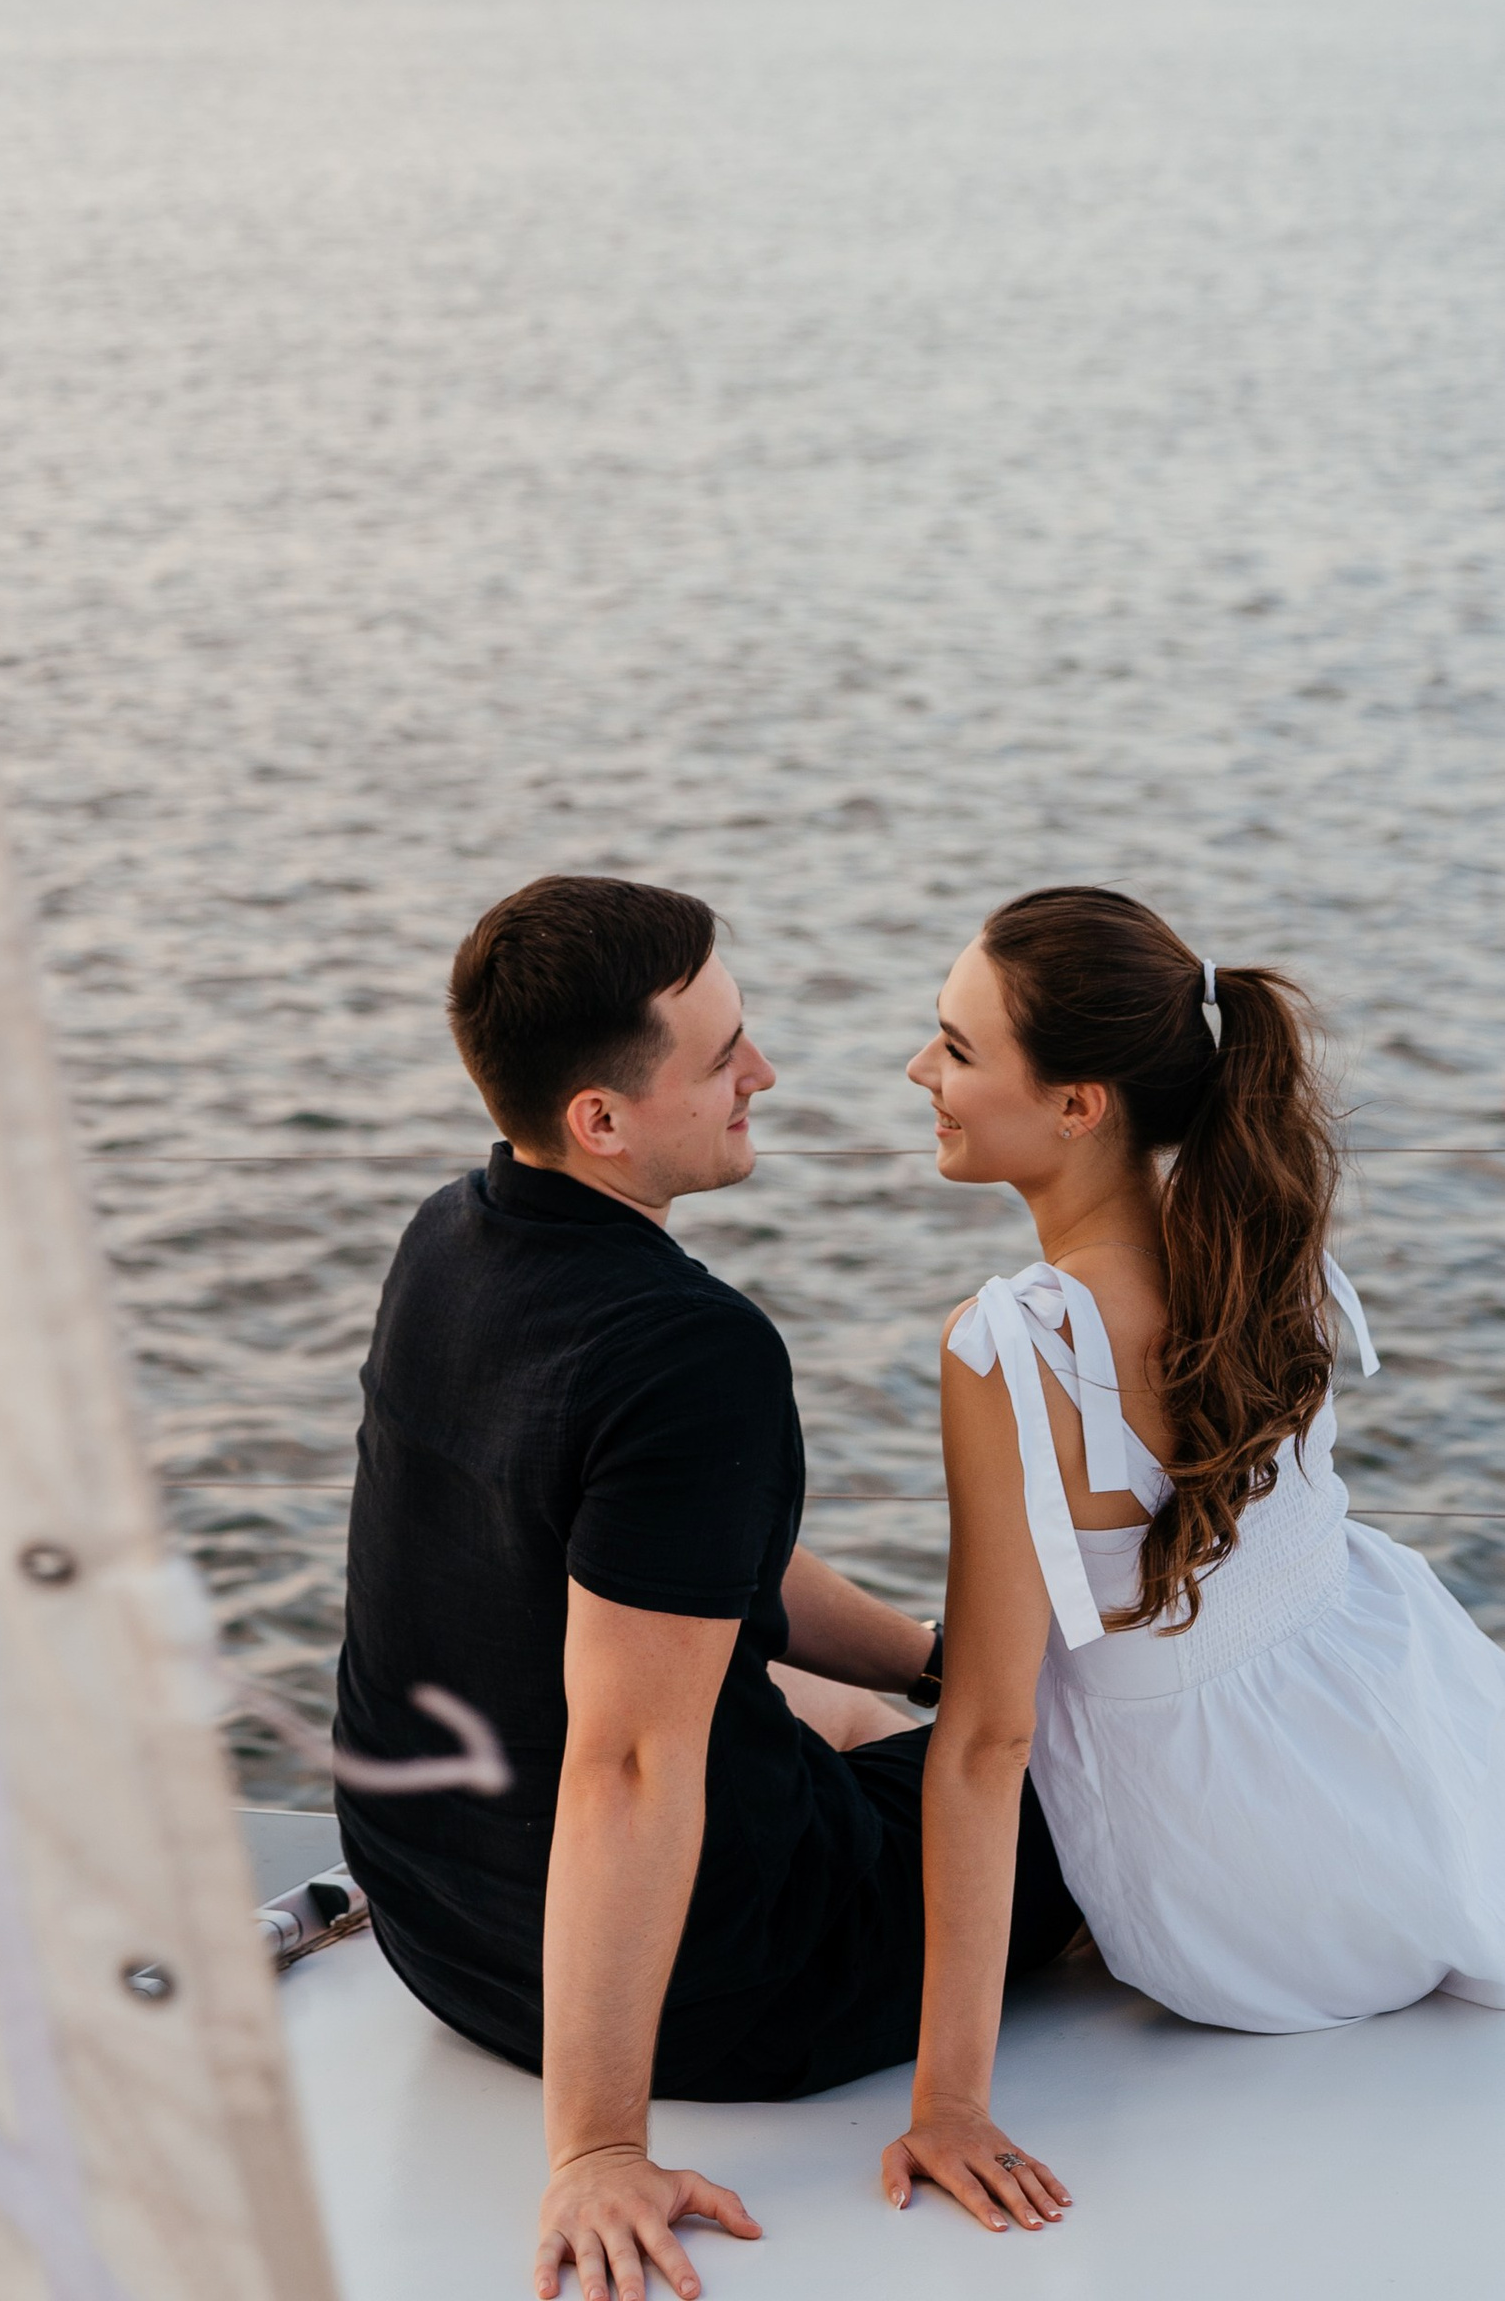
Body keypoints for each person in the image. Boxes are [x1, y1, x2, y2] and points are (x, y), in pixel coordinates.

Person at [334, 875, 1083, 2301]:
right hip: (733, 1991)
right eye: (722, 1054)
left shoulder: (448, 1238)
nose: (766, 1071)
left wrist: (933, 1664)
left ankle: (888, 1724)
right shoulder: (692, 1350)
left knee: (843, 1704)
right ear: (599, 1121)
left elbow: (691, 1561)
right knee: (1101, 1774)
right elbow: (624, 1762)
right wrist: (597, 2147)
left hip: (440, 1938)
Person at [885, 887, 1505, 2239]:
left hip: (1234, 1908)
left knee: (860, 1726)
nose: (920, 1073)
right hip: (1413, 1750)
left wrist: (951, 2104)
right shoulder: (1267, 1236)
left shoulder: (1016, 1343)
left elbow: (989, 1739)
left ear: (1077, 1104)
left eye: (957, 1047)